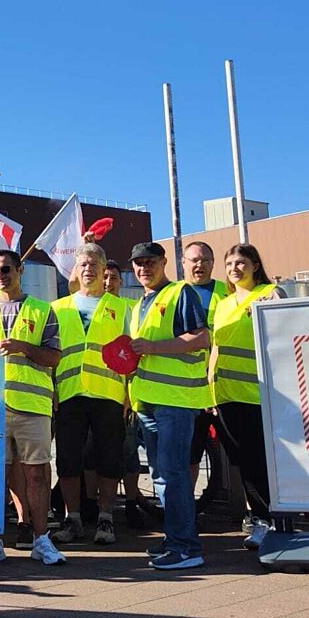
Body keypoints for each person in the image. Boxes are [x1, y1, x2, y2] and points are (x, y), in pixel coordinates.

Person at [0, 250, 66, 567]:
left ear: (19, 270)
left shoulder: (41, 309)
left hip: (32, 405)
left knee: (37, 474)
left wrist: (23, 348)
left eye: (5, 269)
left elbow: (54, 357)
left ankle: (41, 539)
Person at [128, 242, 211, 570]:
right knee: (162, 474)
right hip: (148, 400)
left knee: (173, 474)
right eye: (138, 264)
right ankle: (176, 538)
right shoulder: (140, 304)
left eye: (149, 262)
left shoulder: (181, 293)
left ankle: (186, 548)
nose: (143, 268)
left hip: (175, 402)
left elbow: (201, 338)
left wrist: (152, 347)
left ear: (164, 262)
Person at [50, 244, 130, 546]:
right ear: (75, 269)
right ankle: (73, 520)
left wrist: (128, 396)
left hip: (108, 394)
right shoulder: (58, 308)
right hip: (69, 395)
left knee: (109, 459)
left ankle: (106, 520)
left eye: (95, 263)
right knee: (68, 460)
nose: (89, 268)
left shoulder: (122, 308)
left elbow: (131, 355)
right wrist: (53, 392)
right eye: (83, 263)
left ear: (104, 268)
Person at [211, 244, 284, 551]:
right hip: (225, 394)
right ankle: (261, 517)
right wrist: (209, 391)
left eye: (241, 263)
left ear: (255, 265)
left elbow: (284, 317)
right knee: (242, 460)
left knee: (259, 459)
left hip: (257, 394)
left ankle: (271, 518)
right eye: (229, 264)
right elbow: (216, 348)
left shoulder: (269, 292)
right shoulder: (224, 304)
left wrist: (272, 303)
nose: (234, 268)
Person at [181, 241, 228, 505]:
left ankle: (249, 512)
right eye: (194, 260)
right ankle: (188, 511)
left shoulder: (226, 291)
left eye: (205, 260)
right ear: (184, 263)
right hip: (191, 390)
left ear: (213, 263)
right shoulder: (176, 294)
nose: (199, 265)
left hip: (226, 386)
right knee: (191, 455)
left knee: (239, 453)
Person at [104, 260, 149, 529]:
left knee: (129, 452)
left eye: (114, 278)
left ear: (121, 282)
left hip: (123, 394)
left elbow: (135, 355)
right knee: (95, 454)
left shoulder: (130, 313)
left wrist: (128, 395)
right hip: (96, 394)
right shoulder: (88, 310)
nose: (108, 282)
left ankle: (131, 503)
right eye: (105, 277)